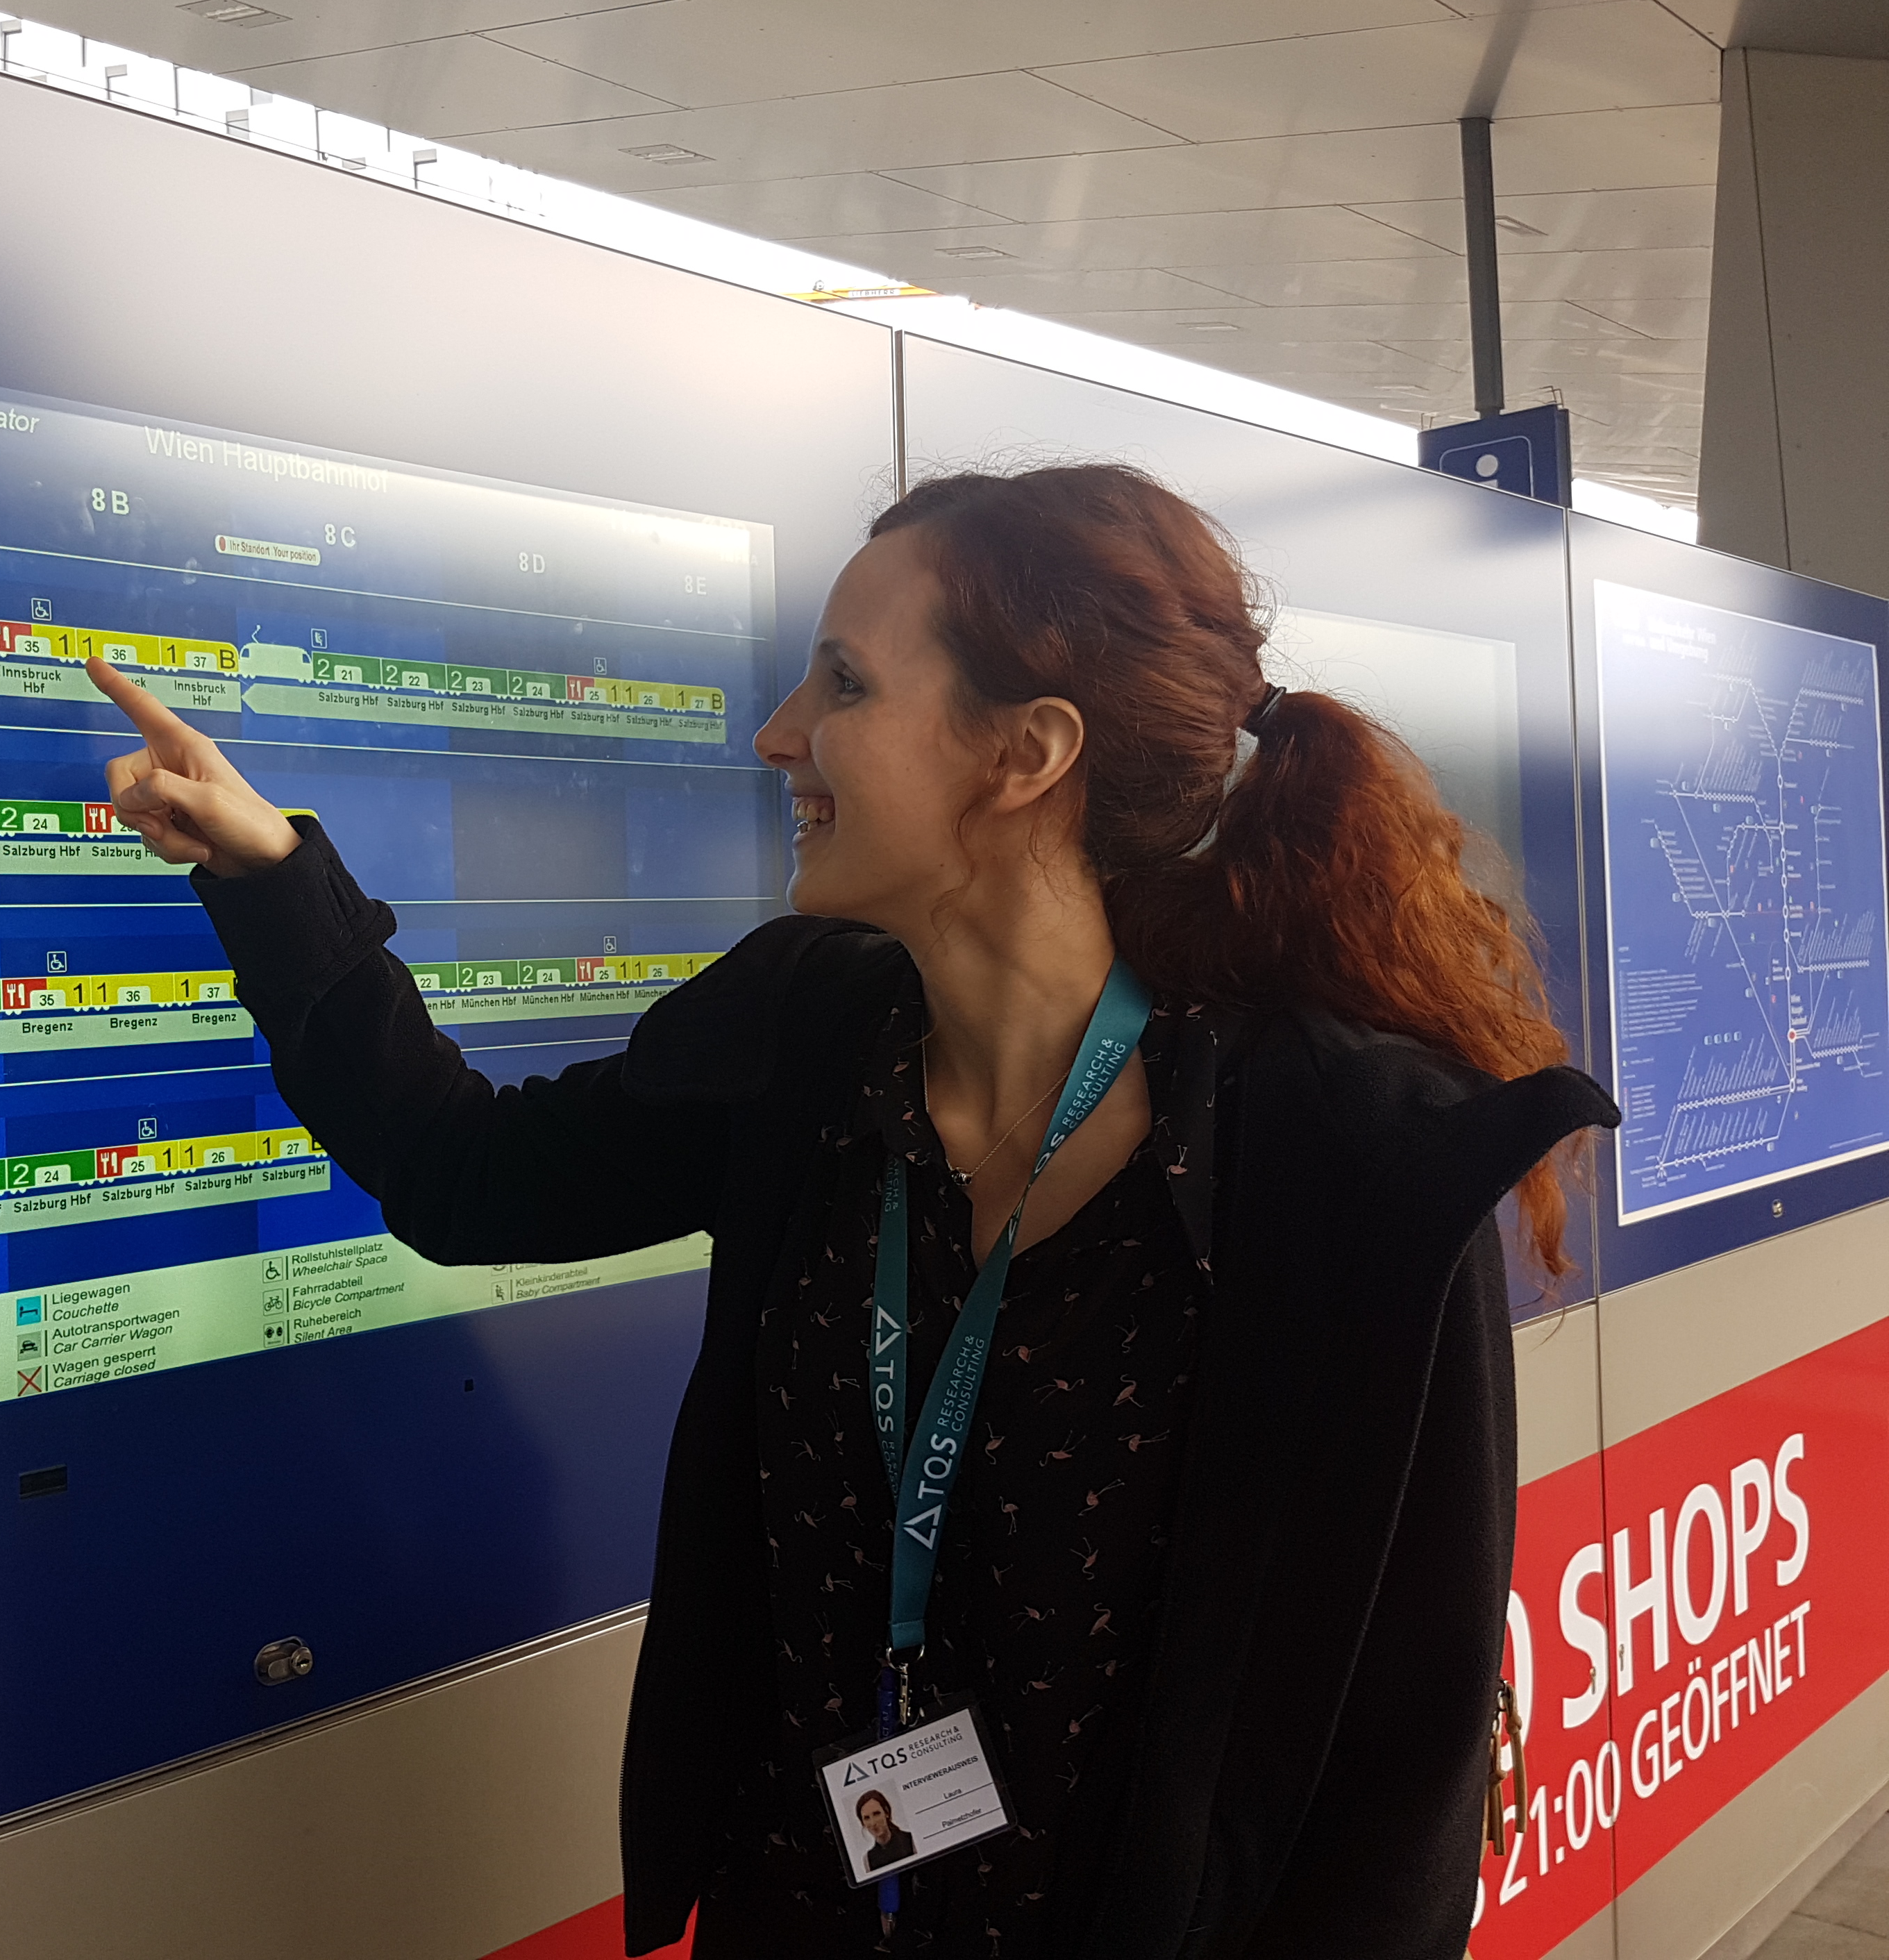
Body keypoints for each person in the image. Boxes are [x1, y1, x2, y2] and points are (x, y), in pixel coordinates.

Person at [89, 464, 1618, 1960]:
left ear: (1025, 752)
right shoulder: (809, 1031)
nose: (777, 734)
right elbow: (465, 1172)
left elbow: (1395, 1787)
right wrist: (271, 872)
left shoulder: (1341, 1152)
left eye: (843, 684)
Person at [858, 1792, 916, 1875]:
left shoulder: (911, 1840)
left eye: (876, 1814)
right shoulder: (868, 1859)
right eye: (867, 1818)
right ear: (863, 1823)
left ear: (886, 1812)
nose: (873, 1823)